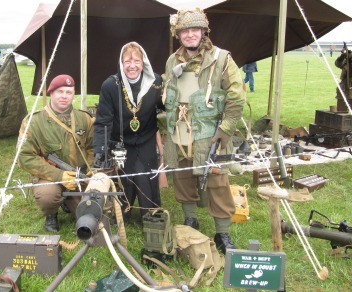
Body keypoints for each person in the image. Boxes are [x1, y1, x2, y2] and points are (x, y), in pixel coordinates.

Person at [163, 8, 246, 254]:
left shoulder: (221, 58)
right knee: (183, 176)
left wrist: (226, 128)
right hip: (180, 130)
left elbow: (236, 97)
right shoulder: (172, 61)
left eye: (194, 30)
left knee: (217, 181)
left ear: (203, 31)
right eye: (184, 31)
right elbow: (169, 93)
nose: (189, 35)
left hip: (210, 130)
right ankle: (190, 220)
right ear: (179, 35)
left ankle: (222, 233)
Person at [93, 42, 164, 221]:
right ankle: (122, 213)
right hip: (120, 142)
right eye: (127, 61)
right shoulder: (110, 85)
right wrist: (100, 151)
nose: (132, 66)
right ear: (121, 63)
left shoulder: (155, 82)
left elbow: (165, 105)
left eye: (136, 61)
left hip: (146, 138)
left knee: (145, 175)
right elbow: (103, 122)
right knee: (124, 176)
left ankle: (149, 213)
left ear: (144, 62)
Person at [17, 74, 94, 232]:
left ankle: (68, 201)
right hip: (49, 177)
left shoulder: (85, 119)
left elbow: (93, 148)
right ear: (51, 93)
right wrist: (59, 176)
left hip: (78, 176)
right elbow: (24, 157)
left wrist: (91, 170)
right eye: (60, 91)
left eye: (69, 92)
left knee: (92, 212)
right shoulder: (34, 122)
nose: (64, 96)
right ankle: (51, 213)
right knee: (47, 195)